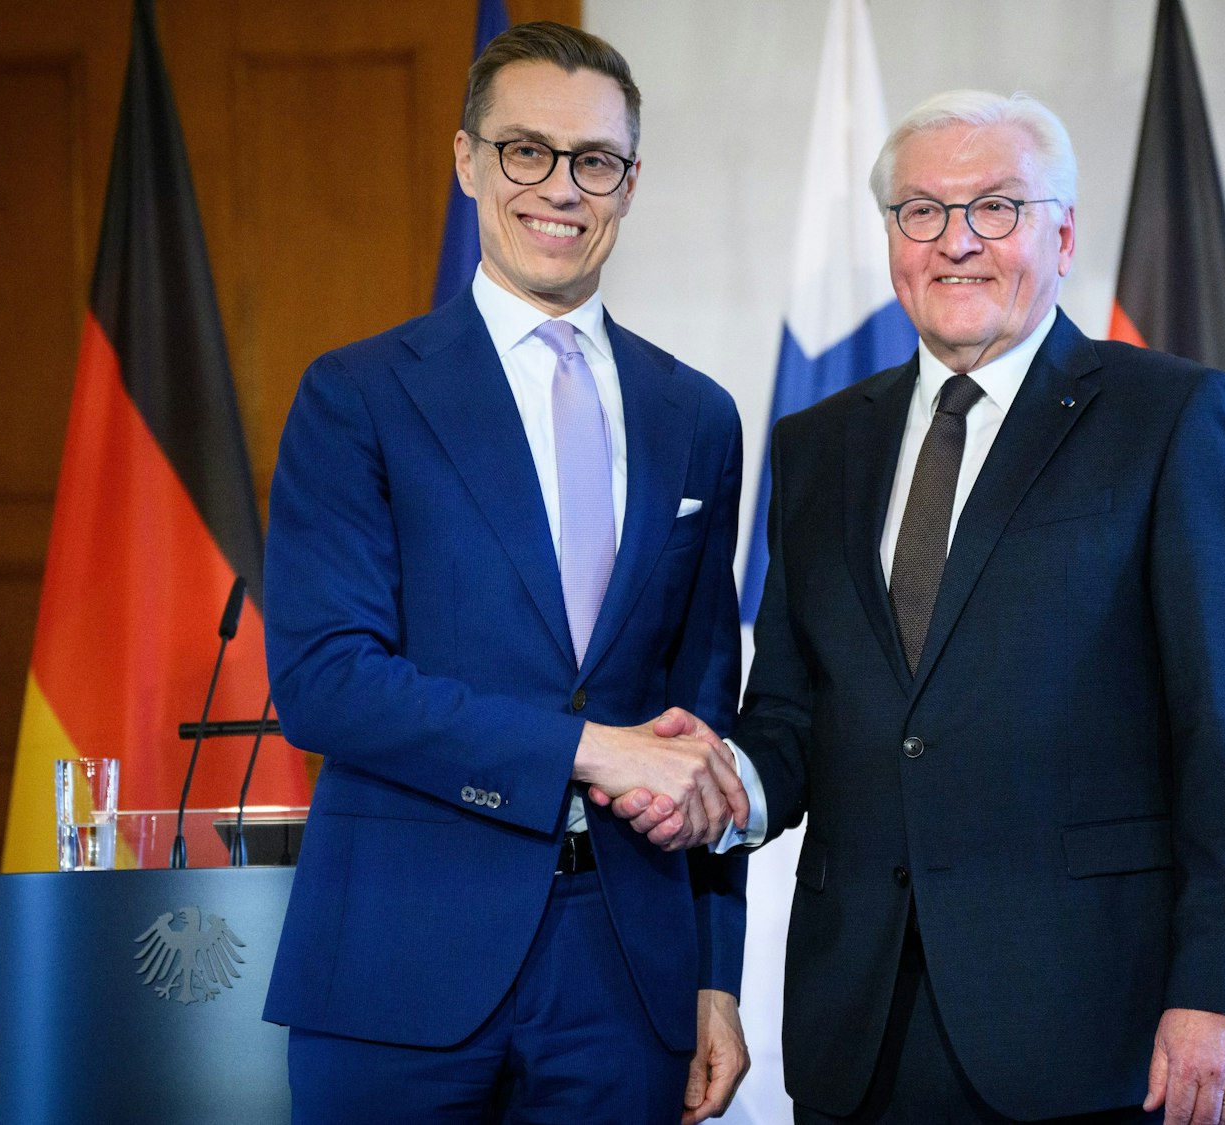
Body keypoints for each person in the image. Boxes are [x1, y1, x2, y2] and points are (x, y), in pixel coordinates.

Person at [618, 90, 1225, 1125]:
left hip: (1091, 1026)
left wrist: (1222, 987)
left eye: (995, 208)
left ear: (1061, 235)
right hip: (860, 1026)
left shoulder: (1169, 417)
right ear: (891, 240)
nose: (956, 242)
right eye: (922, 212)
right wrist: (725, 786)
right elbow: (798, 708)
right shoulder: (817, 445)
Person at [260, 22, 752, 1124]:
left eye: (594, 161)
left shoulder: (697, 417)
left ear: (628, 183)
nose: (560, 189)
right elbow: (326, 682)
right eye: (525, 150)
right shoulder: (359, 397)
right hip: (395, 965)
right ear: (468, 161)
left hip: (629, 979)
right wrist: (587, 748)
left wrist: (714, 972)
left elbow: (701, 726)